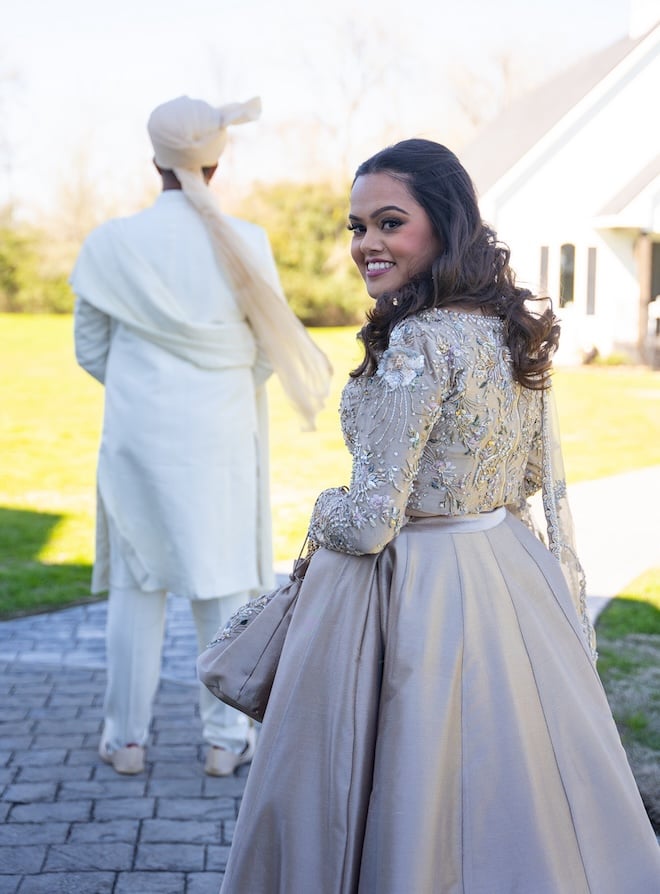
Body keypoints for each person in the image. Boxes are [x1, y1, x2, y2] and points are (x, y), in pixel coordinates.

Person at [217, 139, 660, 892]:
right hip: (505, 574)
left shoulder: (420, 339)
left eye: (390, 222)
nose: (367, 245)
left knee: (400, 774)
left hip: (412, 591)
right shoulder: (509, 329)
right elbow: (528, 483)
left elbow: (368, 521)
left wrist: (324, 507)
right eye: (357, 227)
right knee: (509, 783)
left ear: (444, 223)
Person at [70, 95, 330, 777]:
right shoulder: (249, 242)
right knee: (222, 587)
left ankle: (125, 740)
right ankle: (225, 741)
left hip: (138, 437)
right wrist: (215, 393)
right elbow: (270, 348)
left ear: (155, 156)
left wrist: (145, 391)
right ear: (215, 160)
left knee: (136, 587)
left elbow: (89, 350)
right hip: (220, 436)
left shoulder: (110, 243)